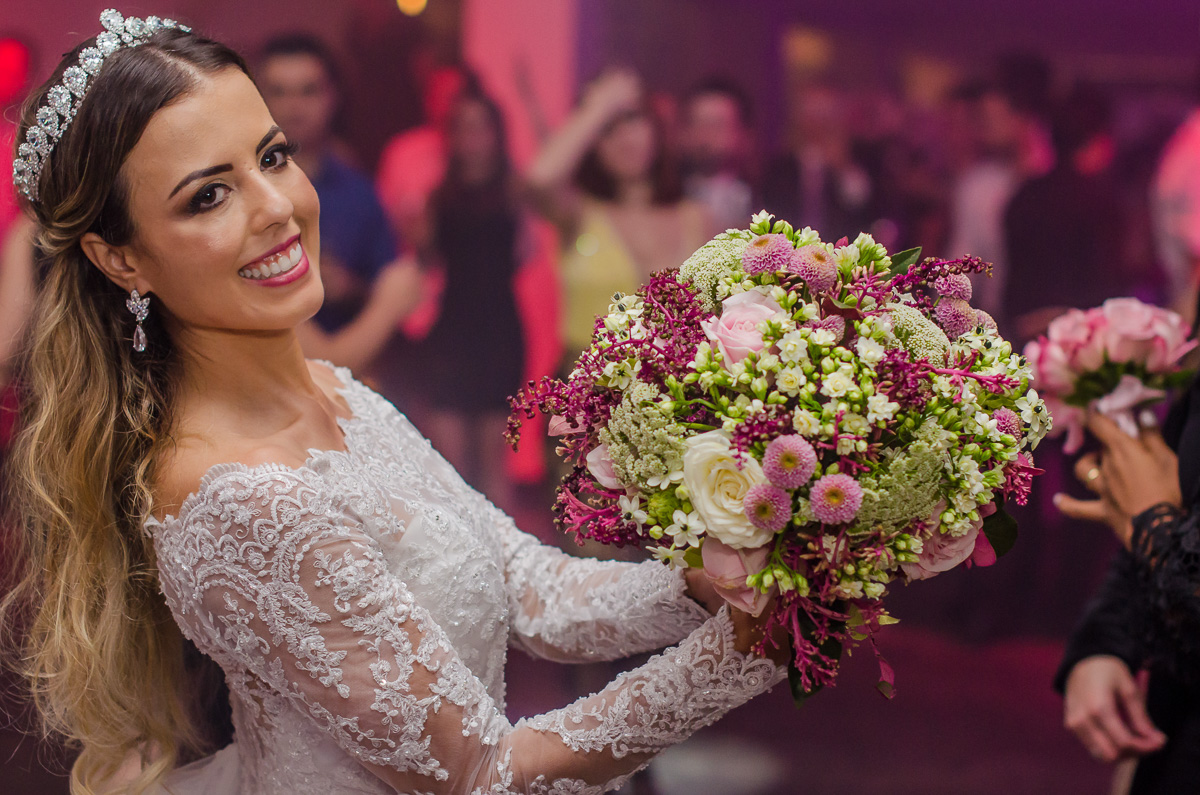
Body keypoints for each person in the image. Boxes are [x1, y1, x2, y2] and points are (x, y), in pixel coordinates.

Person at [0, 14, 786, 795]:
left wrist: (707, 585)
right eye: (208, 196)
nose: (276, 207)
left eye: (273, 157)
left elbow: (528, 586)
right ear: (121, 257)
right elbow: (482, 773)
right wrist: (748, 648)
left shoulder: (341, 392)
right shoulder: (241, 496)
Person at [525, 69, 712, 363]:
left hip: (674, 396)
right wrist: (599, 106)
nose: (624, 137)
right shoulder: (580, 214)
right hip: (589, 396)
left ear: (654, 127)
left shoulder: (697, 218)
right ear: (592, 144)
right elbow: (539, 180)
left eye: (633, 120)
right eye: (608, 128)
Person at [415, 87, 528, 511]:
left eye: (481, 126)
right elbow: (424, 263)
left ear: (497, 134)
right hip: (451, 333)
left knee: (494, 473)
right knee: (448, 473)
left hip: (499, 332)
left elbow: (526, 253)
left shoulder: (515, 192)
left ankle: (504, 569)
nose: (472, 137)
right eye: (463, 127)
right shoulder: (438, 195)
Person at [257, 34, 399, 334]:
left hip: (337, 361)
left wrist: (349, 289)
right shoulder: (238, 187)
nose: (294, 106)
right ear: (258, 99)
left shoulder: (360, 193)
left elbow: (392, 289)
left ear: (332, 96)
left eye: (308, 91)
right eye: (279, 92)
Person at [1003, 85, 1126, 346]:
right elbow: (1106, 281)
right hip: (1081, 338)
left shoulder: (1023, 196)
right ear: (1098, 141)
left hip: (1024, 333)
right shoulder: (1099, 202)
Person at [760, 82, 874, 246]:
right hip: (791, 252)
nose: (819, 122)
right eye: (813, 112)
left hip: (843, 253)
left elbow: (860, 206)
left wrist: (842, 166)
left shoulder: (859, 159)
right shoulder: (780, 167)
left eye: (826, 113)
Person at [679, 76, 757, 232]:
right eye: (697, 123)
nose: (705, 135)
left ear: (743, 134)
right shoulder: (667, 200)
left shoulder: (766, 203)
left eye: (717, 125)